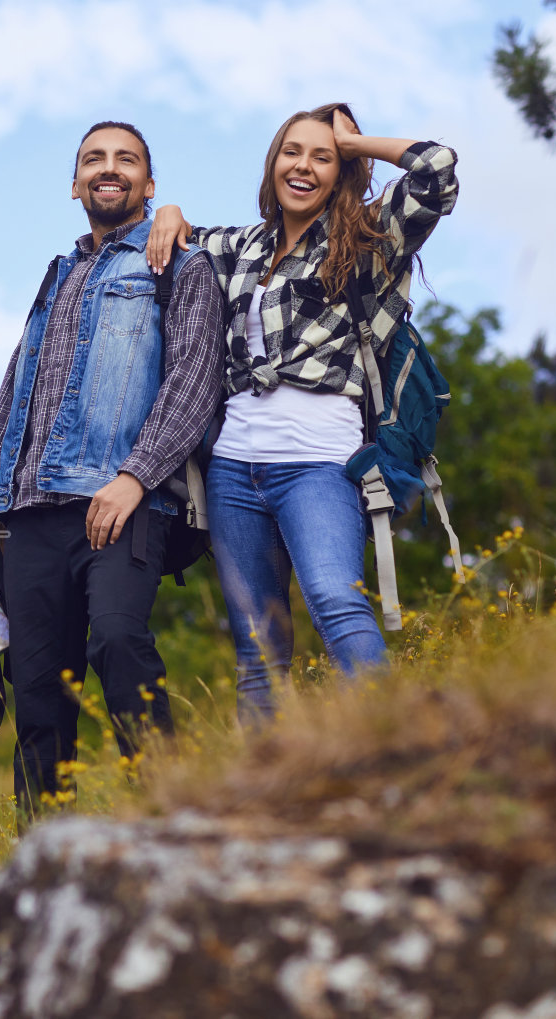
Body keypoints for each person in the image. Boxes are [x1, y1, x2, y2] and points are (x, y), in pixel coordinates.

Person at [0, 120, 224, 819]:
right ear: (74, 184)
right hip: (28, 513)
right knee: (39, 691)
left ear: (149, 185)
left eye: (126, 159)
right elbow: (12, 400)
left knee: (121, 641)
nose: (109, 168)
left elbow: (194, 380)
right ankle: (46, 852)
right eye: (94, 159)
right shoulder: (57, 276)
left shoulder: (181, 266)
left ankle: (169, 814)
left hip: (124, 501)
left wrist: (134, 476)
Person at [145, 103, 459, 723]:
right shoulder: (237, 248)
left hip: (319, 463)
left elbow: (436, 170)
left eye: (323, 157)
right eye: (293, 151)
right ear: (273, 162)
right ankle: (263, 791)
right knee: (258, 647)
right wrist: (169, 210)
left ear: (342, 170)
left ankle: (389, 742)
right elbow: (173, 241)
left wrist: (355, 141)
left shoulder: (368, 243)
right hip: (235, 471)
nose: (305, 166)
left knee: (336, 606)